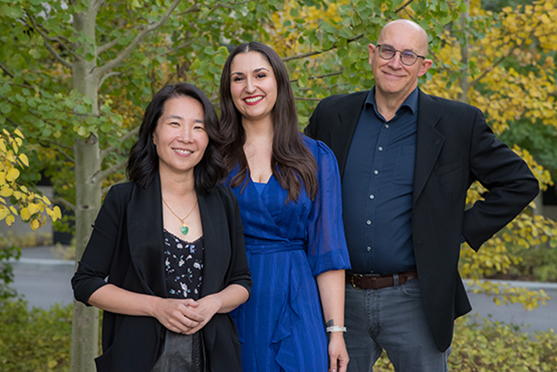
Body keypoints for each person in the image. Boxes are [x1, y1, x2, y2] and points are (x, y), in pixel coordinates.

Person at [304, 19, 539, 372]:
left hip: (415, 299)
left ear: (424, 66)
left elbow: (520, 183)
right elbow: (298, 181)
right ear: (372, 54)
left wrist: (455, 231)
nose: (394, 62)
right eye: (387, 50)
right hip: (341, 300)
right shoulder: (332, 114)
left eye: (408, 55)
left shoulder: (460, 123)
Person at [72, 83, 252, 372]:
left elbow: (241, 281)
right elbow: (86, 283)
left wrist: (214, 303)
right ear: (153, 133)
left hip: (213, 356)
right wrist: (157, 307)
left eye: (198, 127)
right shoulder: (123, 199)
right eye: (174, 123)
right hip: (140, 356)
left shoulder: (224, 201)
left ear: (208, 139)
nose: (186, 137)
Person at [218, 41, 351, 372]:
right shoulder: (213, 157)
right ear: (228, 89)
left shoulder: (316, 157)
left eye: (260, 75)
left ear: (278, 80)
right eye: (238, 78)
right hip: (231, 296)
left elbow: (327, 251)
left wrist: (336, 333)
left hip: (297, 298)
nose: (250, 87)